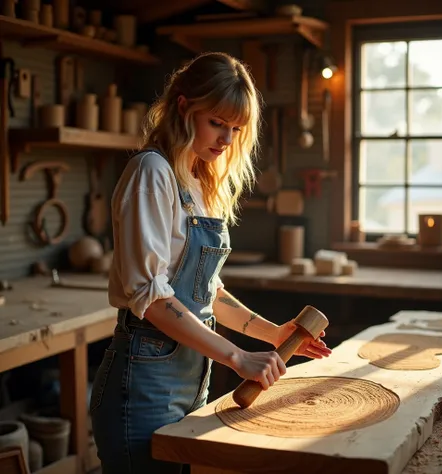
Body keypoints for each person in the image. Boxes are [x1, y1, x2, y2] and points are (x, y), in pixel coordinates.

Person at [90, 51, 331, 474]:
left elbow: (206, 291)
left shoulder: (198, 183)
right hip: (143, 381)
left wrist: (273, 334)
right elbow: (154, 298)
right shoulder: (152, 173)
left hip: (190, 377)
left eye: (235, 129)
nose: (226, 139)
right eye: (216, 122)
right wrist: (238, 357)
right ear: (184, 107)